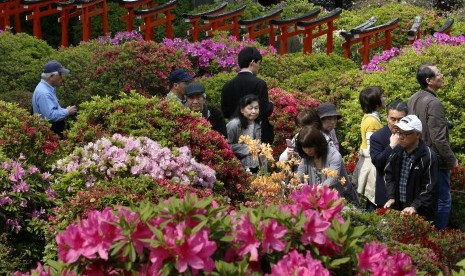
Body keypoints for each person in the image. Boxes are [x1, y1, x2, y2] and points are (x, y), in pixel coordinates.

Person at [408, 63, 458, 230]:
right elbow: (438, 137)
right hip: (435, 159)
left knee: (423, 197)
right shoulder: (434, 103)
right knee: (443, 199)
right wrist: (451, 160)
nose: (442, 75)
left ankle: (424, 233)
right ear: (429, 80)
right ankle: (440, 235)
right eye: (438, 73)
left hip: (417, 156)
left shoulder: (413, 98)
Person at [384, 115, 438, 222]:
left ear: (417, 134)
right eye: (399, 132)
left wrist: (414, 207)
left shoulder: (428, 156)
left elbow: (429, 188)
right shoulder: (397, 151)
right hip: (398, 208)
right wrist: (391, 196)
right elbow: (389, 174)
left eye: (405, 133)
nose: (401, 137)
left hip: (420, 213)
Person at [221, 46, 274, 144]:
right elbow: (264, 110)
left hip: (236, 135)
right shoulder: (259, 83)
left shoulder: (227, 86)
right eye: (259, 63)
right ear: (252, 62)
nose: (259, 67)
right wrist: (271, 105)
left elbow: (225, 112)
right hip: (257, 135)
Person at [296, 125, 359, 205]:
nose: (308, 151)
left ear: (318, 144)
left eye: (311, 147)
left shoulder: (334, 155)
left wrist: (315, 189)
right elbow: (299, 175)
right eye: (304, 147)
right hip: (318, 202)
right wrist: (297, 184)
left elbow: (332, 179)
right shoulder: (306, 158)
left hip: (341, 201)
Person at [370, 100, 408, 208]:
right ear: (387, 118)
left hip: (407, 193)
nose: (396, 123)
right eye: (393, 119)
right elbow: (378, 163)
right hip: (386, 193)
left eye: (400, 119)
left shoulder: (411, 135)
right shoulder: (377, 137)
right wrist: (391, 146)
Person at [353, 86, 386, 211]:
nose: (385, 98)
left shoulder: (369, 117)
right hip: (372, 163)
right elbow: (373, 145)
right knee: (374, 199)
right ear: (376, 102)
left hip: (369, 160)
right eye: (382, 96)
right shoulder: (372, 121)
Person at [32, 60, 77, 138]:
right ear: (52, 76)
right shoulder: (44, 93)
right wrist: (67, 111)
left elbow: (52, 109)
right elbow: (50, 116)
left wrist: (64, 111)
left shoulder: (48, 88)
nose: (61, 77)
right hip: (49, 135)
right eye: (60, 74)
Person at [226, 94, 265, 173]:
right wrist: (249, 148)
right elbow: (226, 146)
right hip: (238, 167)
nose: (254, 111)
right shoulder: (234, 125)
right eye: (250, 108)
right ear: (242, 110)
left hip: (255, 165)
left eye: (256, 108)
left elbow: (259, 145)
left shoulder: (258, 124)